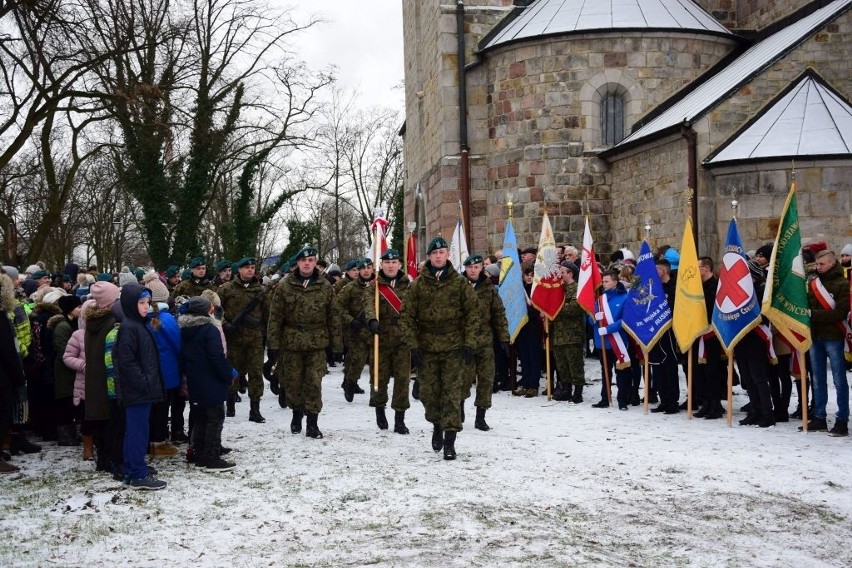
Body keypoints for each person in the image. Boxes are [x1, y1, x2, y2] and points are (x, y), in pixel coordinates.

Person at [399, 236, 479, 460]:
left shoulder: (460, 283)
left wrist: (470, 343)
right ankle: (436, 425)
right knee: (429, 394)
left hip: (454, 347)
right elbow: (406, 317)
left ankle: (450, 441)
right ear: (430, 257)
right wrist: (413, 346)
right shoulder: (418, 285)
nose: (438, 256)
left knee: (452, 394)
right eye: (434, 253)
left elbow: (473, 314)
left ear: (447, 255)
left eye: (442, 252)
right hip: (427, 348)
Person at [267, 247, 342, 439]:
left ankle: (312, 422)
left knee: (314, 383)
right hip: (291, 343)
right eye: (303, 260)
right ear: (298, 263)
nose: (307, 263)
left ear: (315, 262)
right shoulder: (285, 285)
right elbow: (275, 317)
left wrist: (337, 346)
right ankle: (296, 413)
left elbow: (333, 316)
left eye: (311, 260)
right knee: (293, 382)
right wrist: (273, 345)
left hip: (316, 342)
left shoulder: (325, 286)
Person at [113, 283, 167, 490]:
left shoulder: (139, 324)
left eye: (148, 302)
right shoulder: (129, 327)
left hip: (142, 389)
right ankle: (136, 473)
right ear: (129, 304)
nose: (146, 307)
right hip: (137, 390)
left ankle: (132, 468)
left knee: (137, 431)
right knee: (137, 432)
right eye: (141, 303)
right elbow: (125, 361)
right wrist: (143, 382)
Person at [179, 296, 235, 472]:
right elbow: (216, 357)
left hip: (195, 380)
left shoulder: (186, 329)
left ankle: (199, 452)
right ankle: (211, 456)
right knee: (215, 417)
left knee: (201, 417)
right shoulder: (209, 330)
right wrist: (228, 375)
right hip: (211, 380)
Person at [362, 249, 411, 433]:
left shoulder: (409, 286)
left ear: (399, 264)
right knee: (378, 378)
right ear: (381, 265)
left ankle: (400, 418)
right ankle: (379, 409)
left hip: (402, 339)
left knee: (402, 380)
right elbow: (368, 305)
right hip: (380, 338)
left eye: (394, 262)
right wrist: (371, 320)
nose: (391, 266)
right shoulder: (373, 287)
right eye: (387, 262)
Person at [460, 254, 508, 431]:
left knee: (487, 378)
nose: (473, 270)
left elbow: (499, 314)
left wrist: (504, 337)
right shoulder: (458, 286)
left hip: (485, 340)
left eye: (477, 267)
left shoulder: (489, 288)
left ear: (482, 268)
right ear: (465, 269)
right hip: (464, 340)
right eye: (470, 267)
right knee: (463, 377)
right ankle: (459, 406)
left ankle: (481, 415)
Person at [804, 250, 850, 436]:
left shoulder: (842, 284)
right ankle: (819, 416)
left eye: (822, 264)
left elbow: (840, 313)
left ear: (832, 263)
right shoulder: (814, 283)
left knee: (839, 380)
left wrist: (813, 315)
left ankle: (842, 419)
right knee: (818, 379)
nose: (818, 267)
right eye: (817, 264)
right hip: (816, 337)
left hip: (834, 337)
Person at [219, 257, 269, 423]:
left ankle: (255, 409)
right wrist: (225, 324)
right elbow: (216, 310)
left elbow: (268, 314)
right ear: (239, 270)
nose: (250, 270)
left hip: (254, 339)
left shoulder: (260, 290)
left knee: (256, 373)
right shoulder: (226, 289)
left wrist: (265, 332)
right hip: (233, 338)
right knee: (234, 372)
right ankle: (231, 403)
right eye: (246, 267)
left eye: (253, 267)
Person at [589, 271, 631, 409]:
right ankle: (605, 398)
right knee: (605, 370)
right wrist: (595, 317)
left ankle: (622, 400)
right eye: (603, 281)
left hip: (618, 340)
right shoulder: (600, 299)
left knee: (621, 371)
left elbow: (625, 320)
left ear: (614, 282)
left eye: (606, 281)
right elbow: (590, 319)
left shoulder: (625, 298)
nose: (604, 284)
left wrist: (609, 329)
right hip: (602, 342)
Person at [0, 270, 26, 473]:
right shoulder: (1, 318)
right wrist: (18, 375)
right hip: (2, 376)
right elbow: (8, 349)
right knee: (2, 413)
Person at [338, 258, 375, 400]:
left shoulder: (378, 286)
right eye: (363, 268)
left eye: (369, 267)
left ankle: (375, 390)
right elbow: (338, 307)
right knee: (357, 360)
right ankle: (350, 382)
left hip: (374, 329)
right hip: (357, 330)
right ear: (358, 270)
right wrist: (350, 320)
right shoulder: (350, 288)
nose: (366, 270)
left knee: (375, 362)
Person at [551, 262, 586, 403]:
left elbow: (574, 308)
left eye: (563, 272)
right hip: (559, 334)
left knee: (575, 365)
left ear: (570, 273)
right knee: (562, 365)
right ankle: (566, 389)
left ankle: (578, 392)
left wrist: (555, 307)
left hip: (572, 334)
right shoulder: (559, 289)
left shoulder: (576, 288)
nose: (560, 275)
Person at [50, 294, 82, 446]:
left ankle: (70, 435)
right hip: (64, 371)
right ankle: (65, 437)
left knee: (69, 403)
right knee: (64, 404)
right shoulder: (63, 327)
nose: (81, 310)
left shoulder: (70, 323)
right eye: (78, 307)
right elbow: (64, 351)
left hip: (69, 370)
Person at [513, 264, 542, 398]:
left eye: (532, 275)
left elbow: (537, 309)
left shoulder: (537, 290)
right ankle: (525, 383)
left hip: (534, 326)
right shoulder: (520, 290)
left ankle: (533, 385)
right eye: (527, 275)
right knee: (524, 357)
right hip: (522, 327)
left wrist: (527, 313)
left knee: (534, 356)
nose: (529, 278)